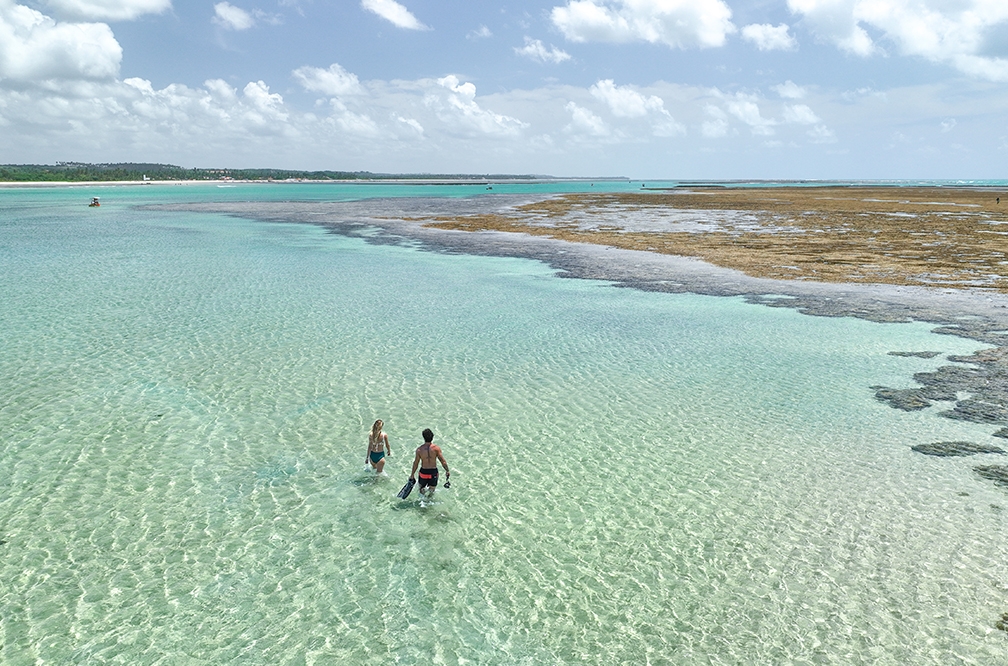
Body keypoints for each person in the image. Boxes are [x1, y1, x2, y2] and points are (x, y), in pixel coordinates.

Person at [410, 428, 449, 497]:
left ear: (423, 437)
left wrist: (412, 474)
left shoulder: (419, 450)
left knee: (421, 490)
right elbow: (443, 461)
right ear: (432, 437)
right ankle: (429, 502)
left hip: (423, 472)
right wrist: (447, 470)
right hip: (433, 472)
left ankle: (422, 503)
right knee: (432, 490)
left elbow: (416, 463)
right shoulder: (436, 448)